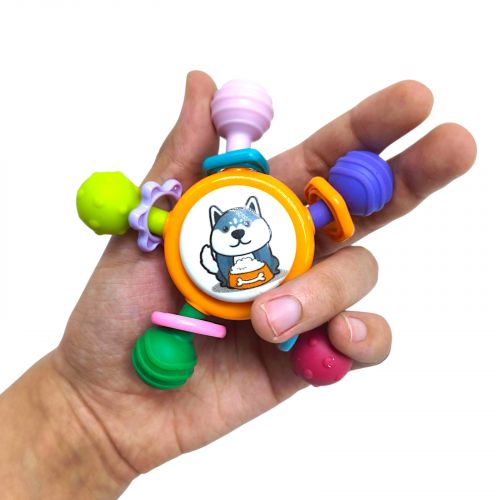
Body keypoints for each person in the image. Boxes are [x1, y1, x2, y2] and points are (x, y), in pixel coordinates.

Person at [0, 71, 476, 498]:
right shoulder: (200, 238)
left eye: (246, 226)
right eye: (228, 230)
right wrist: (85, 411)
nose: (241, 234)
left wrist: (87, 428)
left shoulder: (273, 225)